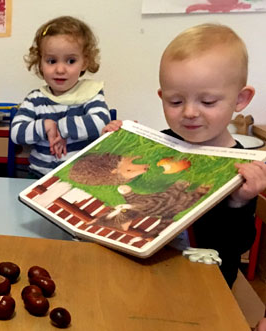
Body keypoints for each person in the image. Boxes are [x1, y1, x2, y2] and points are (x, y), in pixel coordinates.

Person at [103, 24, 266, 287]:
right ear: (162, 96)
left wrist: (240, 202)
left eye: (208, 102)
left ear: (240, 99)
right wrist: (119, 144)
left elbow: (238, 245)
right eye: (176, 101)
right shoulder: (163, 142)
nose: (189, 112)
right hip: (151, 269)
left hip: (207, 284)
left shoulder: (242, 166)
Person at [10, 16, 111, 178]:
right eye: (51, 61)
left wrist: (61, 129)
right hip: (38, 176)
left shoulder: (90, 94)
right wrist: (46, 126)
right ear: (40, 63)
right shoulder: (35, 99)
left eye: (71, 61)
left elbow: (100, 122)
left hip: (80, 178)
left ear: (84, 62)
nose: (60, 69)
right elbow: (16, 133)